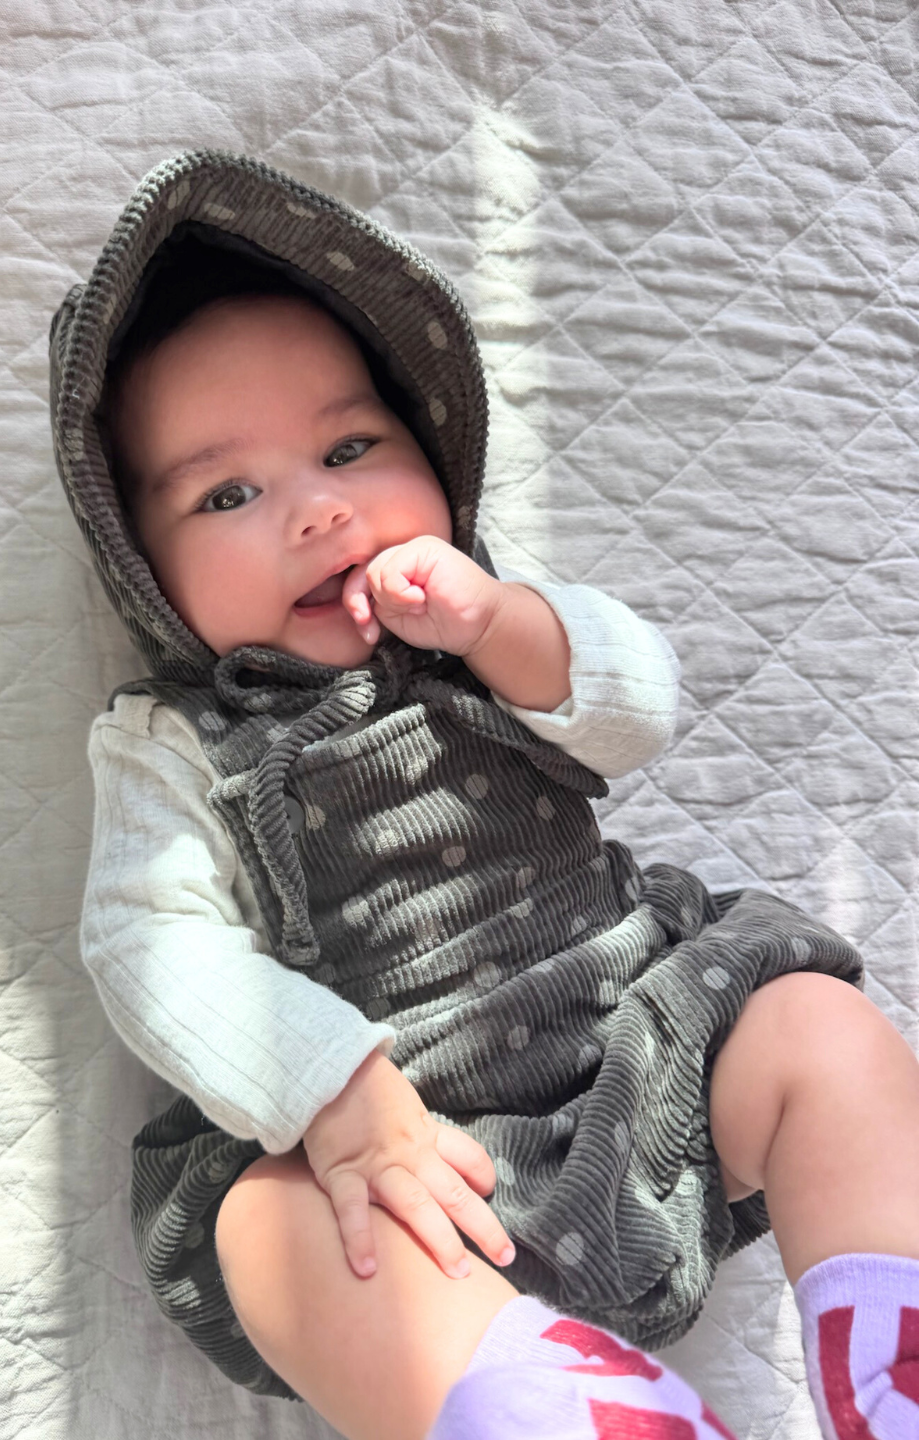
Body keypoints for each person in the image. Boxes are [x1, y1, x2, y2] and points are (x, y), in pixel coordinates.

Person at [50, 152, 919, 1440]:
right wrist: (337, 1098)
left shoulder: (485, 632)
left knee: (821, 1031)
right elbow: (148, 944)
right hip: (403, 1173)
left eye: (351, 446)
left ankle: (893, 1368)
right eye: (229, 493)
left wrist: (501, 617)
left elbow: (632, 708)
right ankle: (559, 1410)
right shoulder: (181, 742)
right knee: (260, 1222)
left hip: (645, 1054)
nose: (318, 509)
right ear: (142, 569)